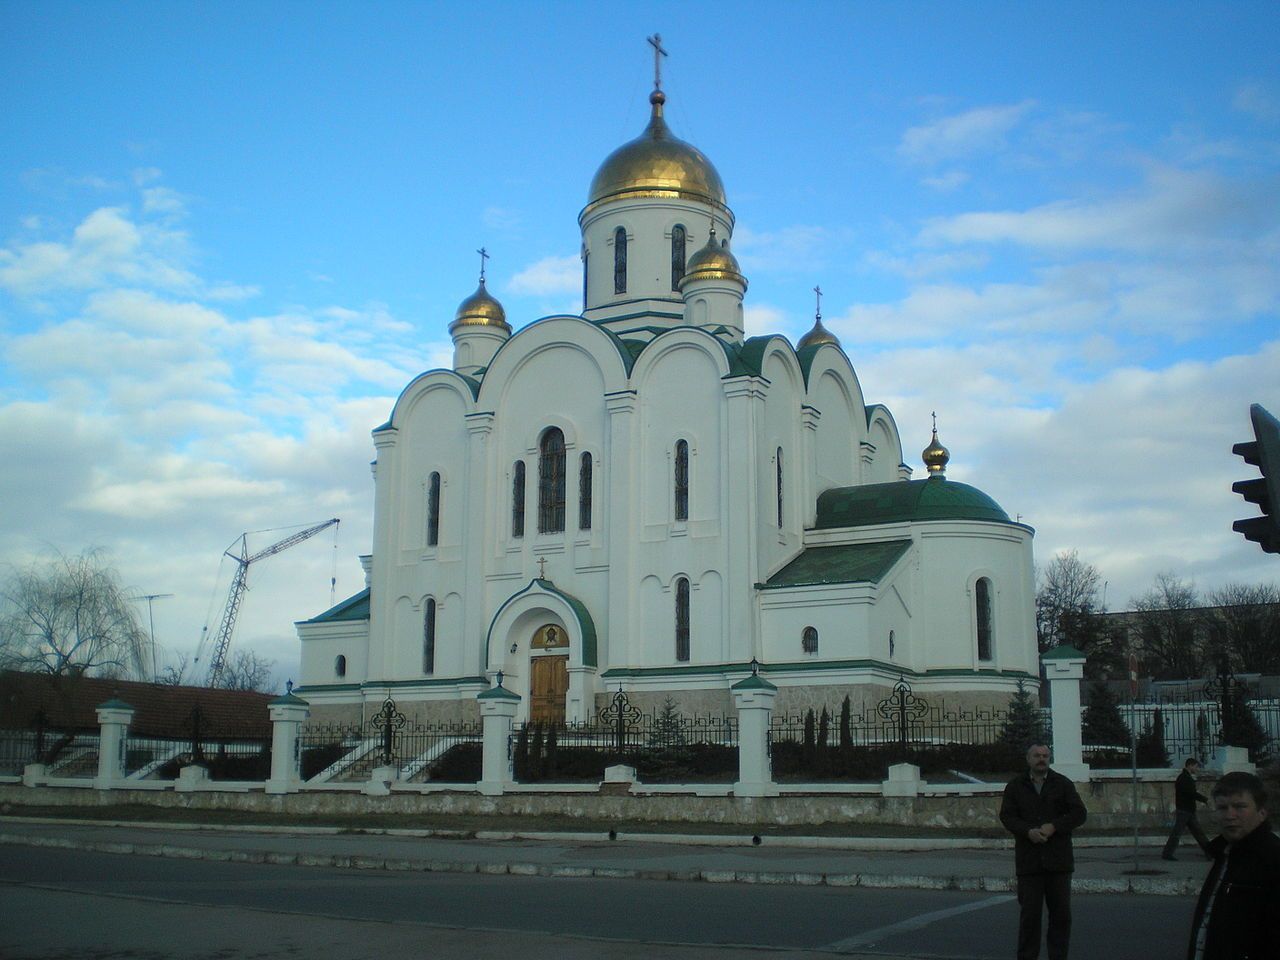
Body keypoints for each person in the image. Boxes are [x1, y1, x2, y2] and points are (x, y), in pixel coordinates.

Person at [999, 743, 1088, 960]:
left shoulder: (1062, 784)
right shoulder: (1015, 786)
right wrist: (1027, 831)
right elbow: (1007, 816)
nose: (1042, 759)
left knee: (1061, 917)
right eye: (1037, 755)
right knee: (1029, 918)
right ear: (1028, 759)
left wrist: (1055, 826)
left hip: (1058, 862)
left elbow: (1079, 813)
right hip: (1030, 864)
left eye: (1045, 755)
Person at [1186, 771, 1280, 960]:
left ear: (1262, 812)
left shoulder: (1273, 859)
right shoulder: (1224, 855)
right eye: (1222, 808)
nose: (1230, 815)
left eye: (1239, 807)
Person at [1163, 757, 1210, 860]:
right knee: (1179, 833)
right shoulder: (1184, 778)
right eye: (1196, 766)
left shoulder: (1185, 777)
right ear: (1190, 765)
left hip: (1187, 810)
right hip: (1185, 810)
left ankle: (1210, 852)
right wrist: (1204, 799)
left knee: (1197, 833)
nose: (1197, 769)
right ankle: (1167, 854)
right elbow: (1191, 793)